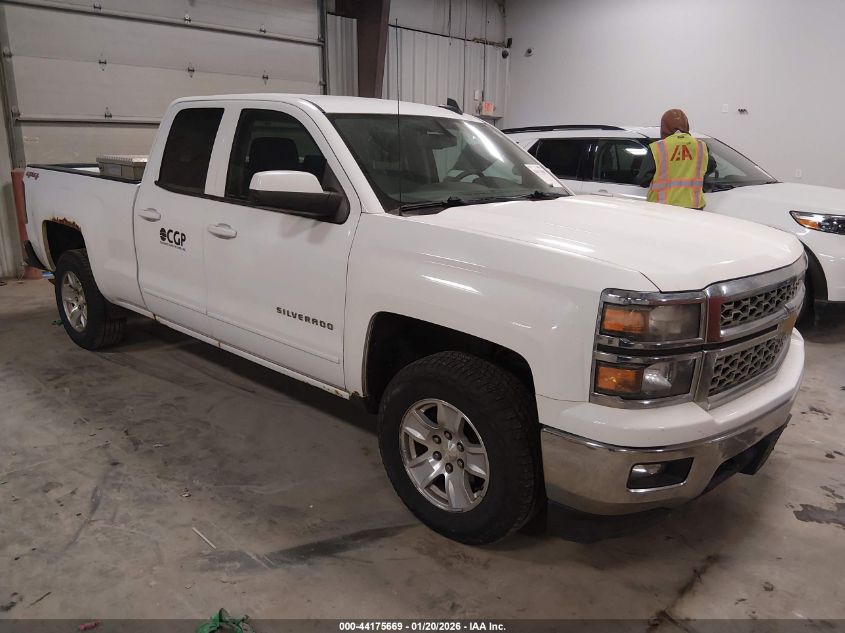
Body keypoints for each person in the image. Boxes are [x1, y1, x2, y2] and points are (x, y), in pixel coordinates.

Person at [636, 108, 716, 209]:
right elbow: (711, 166)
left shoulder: (657, 148)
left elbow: (643, 180)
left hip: (663, 208)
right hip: (693, 207)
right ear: (686, 125)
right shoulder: (700, 146)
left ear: (664, 127)